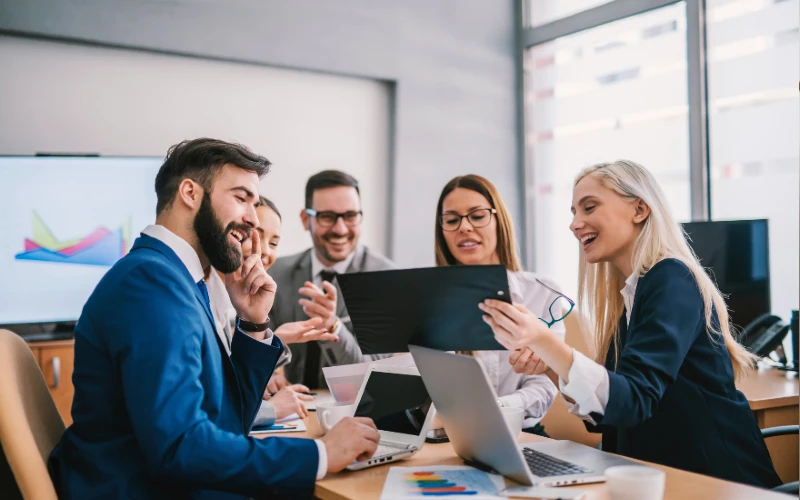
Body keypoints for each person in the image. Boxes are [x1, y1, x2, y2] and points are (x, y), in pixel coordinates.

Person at [48, 138, 380, 499]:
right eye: (241, 198)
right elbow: (180, 446)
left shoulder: (176, 279)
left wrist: (253, 324)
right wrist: (321, 453)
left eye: (255, 203)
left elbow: (224, 418)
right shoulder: (151, 285)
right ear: (190, 193)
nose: (253, 219)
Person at [480, 160, 781, 488]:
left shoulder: (671, 278)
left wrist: (547, 342)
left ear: (639, 209)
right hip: (658, 474)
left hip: (716, 482)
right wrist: (550, 365)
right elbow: (610, 418)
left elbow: (633, 401)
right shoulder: (631, 295)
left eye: (589, 207)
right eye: (572, 212)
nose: (574, 224)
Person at [435, 174, 563, 435]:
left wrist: (495, 408)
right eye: (452, 220)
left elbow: (543, 384)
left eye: (477, 216)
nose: (465, 227)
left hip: (522, 433)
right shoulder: (431, 300)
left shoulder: (541, 292)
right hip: (449, 436)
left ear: (498, 221)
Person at [206, 196, 336, 425]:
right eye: (252, 235)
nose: (264, 251)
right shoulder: (203, 299)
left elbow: (231, 382)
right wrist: (270, 409)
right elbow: (212, 407)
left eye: (274, 243)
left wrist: (275, 340)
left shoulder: (229, 302)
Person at [268, 170, 394, 390]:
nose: (340, 229)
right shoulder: (276, 272)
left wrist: (334, 328)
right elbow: (257, 348)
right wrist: (266, 374)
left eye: (350, 216)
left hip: (358, 412)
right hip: (292, 412)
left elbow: (375, 377)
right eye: (327, 217)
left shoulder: (385, 279)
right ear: (306, 220)